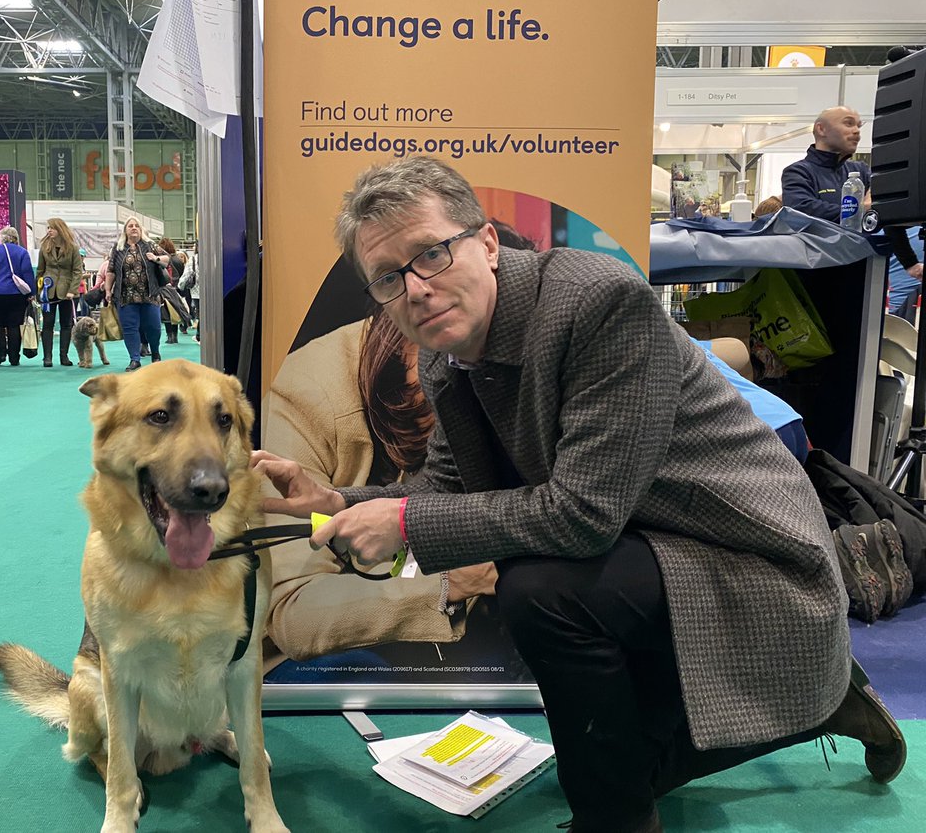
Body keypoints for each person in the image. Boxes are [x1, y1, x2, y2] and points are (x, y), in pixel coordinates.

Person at [251, 156, 905, 833]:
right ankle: (826, 704)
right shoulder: (448, 358)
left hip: (751, 559)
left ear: (487, 243)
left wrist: (408, 521)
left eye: (432, 254)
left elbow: (583, 516)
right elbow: (441, 487)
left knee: (541, 591)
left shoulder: (598, 304)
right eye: (389, 278)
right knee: (626, 759)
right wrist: (331, 501)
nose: (415, 288)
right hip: (649, 549)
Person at [781, 106, 870, 223]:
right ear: (821, 129)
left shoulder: (861, 170)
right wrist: (862, 210)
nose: (857, 130)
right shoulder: (798, 172)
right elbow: (802, 212)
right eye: (848, 123)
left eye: (858, 125)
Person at [103, 216, 169, 371]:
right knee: (129, 328)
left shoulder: (150, 245)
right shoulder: (118, 248)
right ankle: (134, 359)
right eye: (130, 226)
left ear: (140, 229)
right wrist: (107, 290)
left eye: (136, 226)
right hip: (125, 296)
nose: (133, 228)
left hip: (150, 294)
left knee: (153, 327)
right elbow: (111, 271)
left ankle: (156, 353)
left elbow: (167, 259)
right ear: (125, 230)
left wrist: (156, 258)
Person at [0, 226, 36, 366]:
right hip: (16, 294)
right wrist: (31, 293)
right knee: (14, 325)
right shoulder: (22, 252)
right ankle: (14, 358)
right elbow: (27, 273)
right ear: (16, 238)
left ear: (2, 238)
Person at [35, 218, 82, 367]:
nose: (49, 230)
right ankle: (47, 358)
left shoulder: (73, 248)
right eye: (48, 228)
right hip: (48, 291)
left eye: (52, 228)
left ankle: (64, 356)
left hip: (67, 292)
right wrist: (39, 289)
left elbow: (77, 271)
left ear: (60, 229)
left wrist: (72, 291)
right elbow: (40, 270)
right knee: (47, 324)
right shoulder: (44, 247)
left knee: (66, 324)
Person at [178, 247, 200, 342]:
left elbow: (187, 274)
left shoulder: (194, 259)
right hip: (216, 291)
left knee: (201, 314)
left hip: (197, 292)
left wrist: (180, 286)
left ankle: (199, 336)